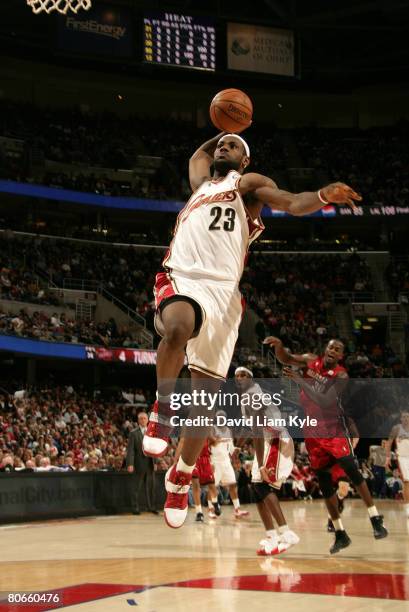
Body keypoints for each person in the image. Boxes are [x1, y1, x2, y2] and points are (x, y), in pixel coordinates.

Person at [142, 127, 362, 529]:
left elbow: (294, 203)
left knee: (204, 404)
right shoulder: (199, 184)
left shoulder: (249, 185)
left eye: (233, 148)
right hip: (183, 276)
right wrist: (225, 128)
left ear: (244, 162)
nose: (222, 149)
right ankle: (162, 408)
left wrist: (325, 195)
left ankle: (181, 473)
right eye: (220, 146)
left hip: (224, 294)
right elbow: (196, 156)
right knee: (177, 327)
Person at [264, 336, 388, 554]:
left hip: (333, 427)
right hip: (313, 430)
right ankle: (340, 533)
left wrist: (299, 380)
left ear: (341, 356)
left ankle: (375, 518)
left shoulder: (341, 375)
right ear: (325, 349)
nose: (333, 350)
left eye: (337, 349)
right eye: (331, 346)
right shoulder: (310, 361)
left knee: (350, 468)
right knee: (324, 483)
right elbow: (287, 358)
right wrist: (279, 347)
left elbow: (325, 401)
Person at [234, 366, 299, 555]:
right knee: (256, 488)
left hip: (277, 442)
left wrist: (261, 464)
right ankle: (272, 536)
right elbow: (250, 429)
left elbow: (257, 431)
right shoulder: (245, 397)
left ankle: (286, 533)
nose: (239, 378)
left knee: (263, 486)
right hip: (268, 442)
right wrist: (238, 447)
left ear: (251, 379)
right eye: (237, 376)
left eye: (244, 375)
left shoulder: (254, 395)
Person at [210, 411, 249, 519]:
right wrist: (209, 462)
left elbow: (231, 449)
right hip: (215, 461)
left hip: (226, 462)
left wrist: (236, 450)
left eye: (223, 417)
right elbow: (209, 444)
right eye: (219, 417)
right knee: (213, 487)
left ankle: (237, 509)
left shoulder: (228, 430)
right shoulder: (212, 429)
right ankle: (211, 510)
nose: (221, 419)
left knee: (232, 485)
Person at [126, 412, 158, 516]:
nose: (143, 420)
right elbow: (130, 450)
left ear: (147, 420)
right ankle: (135, 508)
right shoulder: (133, 433)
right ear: (138, 420)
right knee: (136, 487)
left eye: (145, 418)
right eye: (141, 419)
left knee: (151, 487)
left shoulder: (152, 433)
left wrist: (156, 462)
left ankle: (151, 507)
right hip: (138, 463)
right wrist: (130, 464)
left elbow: (154, 448)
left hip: (150, 463)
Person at [385, 411, 409, 517]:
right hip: (403, 458)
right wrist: (387, 457)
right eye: (404, 417)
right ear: (400, 418)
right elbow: (389, 443)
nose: (406, 418)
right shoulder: (396, 429)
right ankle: (408, 508)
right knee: (407, 482)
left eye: (408, 416)